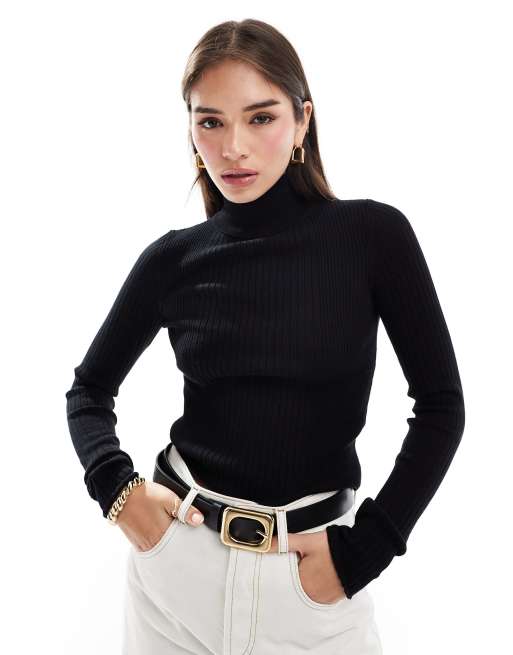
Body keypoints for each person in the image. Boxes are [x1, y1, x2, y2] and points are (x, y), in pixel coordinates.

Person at [65, 18, 465, 655]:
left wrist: (368, 547)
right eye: (211, 121)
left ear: (303, 120)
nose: (234, 148)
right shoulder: (172, 260)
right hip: (177, 575)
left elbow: (442, 407)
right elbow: (88, 392)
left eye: (261, 117)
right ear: (191, 129)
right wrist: (119, 493)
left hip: (312, 585)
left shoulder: (373, 239)